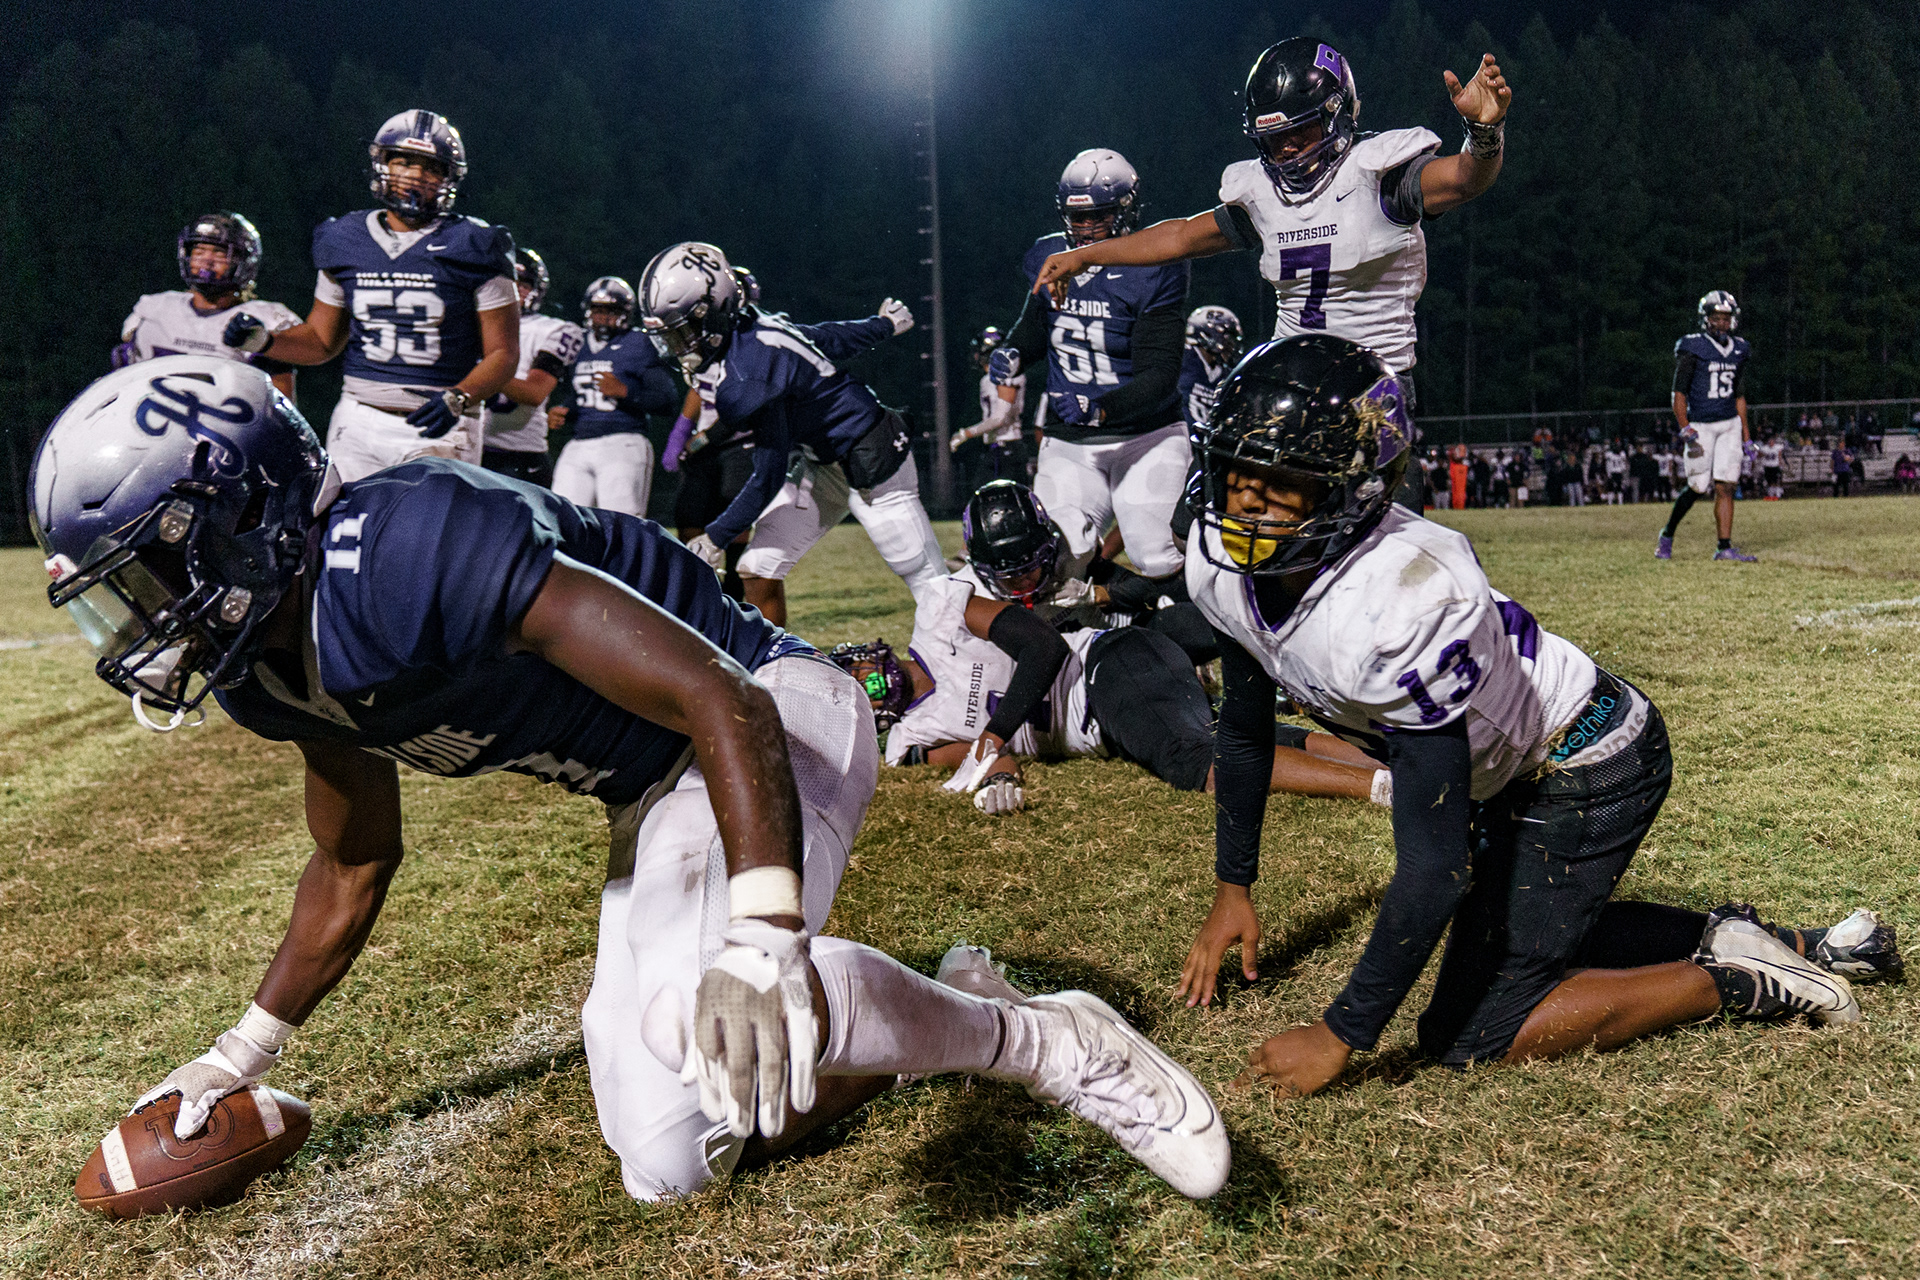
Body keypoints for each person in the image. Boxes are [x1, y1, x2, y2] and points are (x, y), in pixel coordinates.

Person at [31, 356, 1234, 1206]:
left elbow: (727, 696)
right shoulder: (267, 669)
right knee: (667, 1155)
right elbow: (352, 858)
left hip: (772, 711)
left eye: (145, 580)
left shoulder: (400, 550)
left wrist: (763, 935)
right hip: (659, 789)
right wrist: (238, 1055)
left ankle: (1045, 1041)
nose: (140, 626)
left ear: (243, 521)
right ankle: (926, 1000)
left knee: (711, 998)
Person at [1174, 334, 1900, 1096]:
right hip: (1514, 763)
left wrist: (1341, 1031)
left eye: (1279, 478)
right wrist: (1234, 885)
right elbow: (1247, 730)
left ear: (1352, 490)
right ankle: (1780, 943)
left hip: (1582, 758)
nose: (1244, 497)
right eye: (1232, 467)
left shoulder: (1397, 599)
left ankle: (1733, 983)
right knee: (1508, 937)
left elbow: (1434, 868)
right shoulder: (1222, 562)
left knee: (1468, 1031)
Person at [1027, 37, 1511, 512]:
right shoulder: (1262, 193)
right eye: (1274, 138)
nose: (1286, 150)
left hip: (1369, 386)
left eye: (1298, 132)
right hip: (1286, 379)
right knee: (1199, 518)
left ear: (1337, 113)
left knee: (1376, 534)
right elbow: (1179, 237)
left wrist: (1484, 133)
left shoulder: (1381, 175)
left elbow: (1466, 178)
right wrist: (1090, 256)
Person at [834, 481, 1388, 816]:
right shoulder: (909, 740)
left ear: (863, 650)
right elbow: (980, 756)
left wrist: (996, 733)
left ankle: (1378, 787)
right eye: (856, 693)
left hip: (1109, 662)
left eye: (854, 671)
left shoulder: (940, 614)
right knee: (1234, 736)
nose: (867, 682)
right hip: (1114, 712)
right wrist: (999, 773)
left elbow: (1042, 647)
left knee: (1194, 761)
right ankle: (1392, 766)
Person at [640, 242, 941, 626]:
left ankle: (972, 665)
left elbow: (767, 474)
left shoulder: (747, 375)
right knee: (757, 567)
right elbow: (826, 337)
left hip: (872, 457)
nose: (675, 347)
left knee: (925, 576)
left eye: (681, 333)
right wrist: (881, 326)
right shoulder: (754, 327)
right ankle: (773, 664)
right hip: (823, 463)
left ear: (712, 314)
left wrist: (715, 537)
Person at [224, 109, 518, 484]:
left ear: (448, 178)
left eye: (431, 168)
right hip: (358, 418)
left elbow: (503, 354)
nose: (414, 175)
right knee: (339, 534)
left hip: (441, 418)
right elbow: (321, 341)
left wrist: (458, 397)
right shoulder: (345, 239)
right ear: (382, 165)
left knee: (425, 539)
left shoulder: (477, 244)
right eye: (404, 162)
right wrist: (265, 341)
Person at [982, 148, 1192, 589]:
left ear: (1126, 210)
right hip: (1070, 438)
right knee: (1057, 556)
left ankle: (1197, 637)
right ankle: (1104, 632)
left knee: (1155, 551)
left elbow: (1160, 375)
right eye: (1078, 217)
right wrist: (1014, 352)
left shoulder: (1154, 265)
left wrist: (1100, 410)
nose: (1087, 228)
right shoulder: (1048, 254)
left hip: (1146, 435)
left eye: (1099, 215)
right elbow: (1037, 327)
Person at [116, 212, 301, 397]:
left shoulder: (265, 319)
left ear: (243, 262)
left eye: (219, 253)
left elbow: (279, 409)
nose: (207, 260)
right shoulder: (154, 308)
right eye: (199, 251)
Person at [546, 276, 680, 518]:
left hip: (623, 441)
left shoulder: (639, 343)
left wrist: (625, 392)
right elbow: (581, 393)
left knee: (620, 524)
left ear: (625, 313)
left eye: (612, 310)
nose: (604, 317)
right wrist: (565, 409)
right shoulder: (579, 343)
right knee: (564, 520)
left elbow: (667, 400)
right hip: (579, 442)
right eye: (598, 310)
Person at [1657, 291, 1754, 560]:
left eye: (1726, 318)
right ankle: (1667, 533)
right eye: (1717, 318)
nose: (1722, 323)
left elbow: (1739, 396)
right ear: (1706, 319)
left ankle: (1724, 547)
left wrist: (1746, 436)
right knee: (1699, 486)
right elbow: (1679, 393)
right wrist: (1684, 426)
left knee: (1726, 485)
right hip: (1701, 425)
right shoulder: (1693, 347)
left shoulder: (1739, 349)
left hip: (1729, 424)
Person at [482, 247, 583, 486]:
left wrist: (478, 372)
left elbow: (534, 392)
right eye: (506, 282)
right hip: (467, 446)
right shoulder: (471, 324)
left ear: (537, 291)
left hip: (517, 455)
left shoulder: (553, 329)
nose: (514, 290)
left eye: (523, 284)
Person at [949, 325, 1034, 489]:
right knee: (982, 501)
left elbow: (1000, 418)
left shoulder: (1007, 374)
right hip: (997, 448)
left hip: (1008, 448)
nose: (975, 355)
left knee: (1008, 502)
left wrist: (966, 433)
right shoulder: (988, 379)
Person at [1179, 305, 1244, 428]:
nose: (1231, 345)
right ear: (1209, 335)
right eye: (1228, 338)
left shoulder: (1222, 373)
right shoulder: (1184, 358)